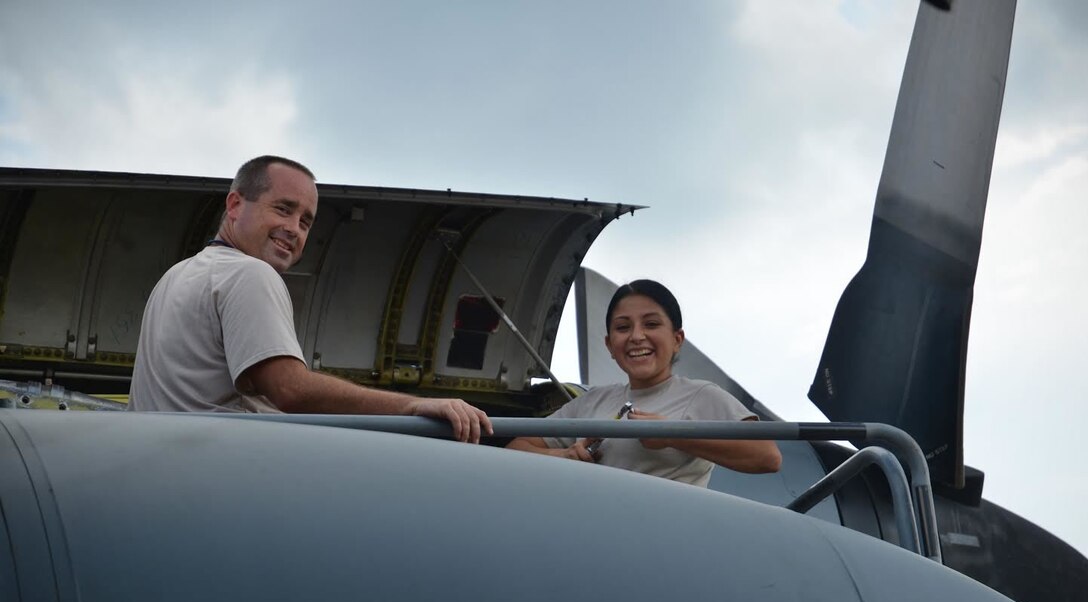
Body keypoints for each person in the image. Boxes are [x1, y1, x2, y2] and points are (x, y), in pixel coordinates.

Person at [129, 155, 491, 443]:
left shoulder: (175, 277)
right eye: (283, 209)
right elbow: (290, 390)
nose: (294, 229)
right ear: (236, 204)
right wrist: (414, 405)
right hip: (221, 480)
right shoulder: (249, 274)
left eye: (305, 221)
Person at [507, 279, 781, 484]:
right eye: (623, 328)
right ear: (609, 345)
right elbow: (516, 449)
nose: (637, 336)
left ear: (677, 339)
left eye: (651, 324)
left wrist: (676, 436)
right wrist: (566, 455)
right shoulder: (590, 402)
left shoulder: (702, 395)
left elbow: (767, 456)